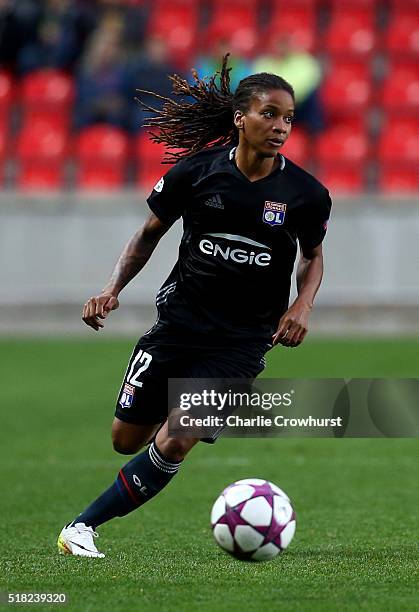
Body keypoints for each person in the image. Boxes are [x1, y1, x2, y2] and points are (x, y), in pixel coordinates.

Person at [57, 56, 331, 558]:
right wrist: (111, 289)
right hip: (178, 325)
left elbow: (312, 257)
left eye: (288, 117)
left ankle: (82, 527)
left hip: (242, 342)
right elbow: (146, 237)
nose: (281, 127)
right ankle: (186, 410)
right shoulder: (196, 173)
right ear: (240, 118)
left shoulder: (306, 194)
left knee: (176, 439)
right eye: (269, 114)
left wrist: (302, 305)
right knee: (125, 439)